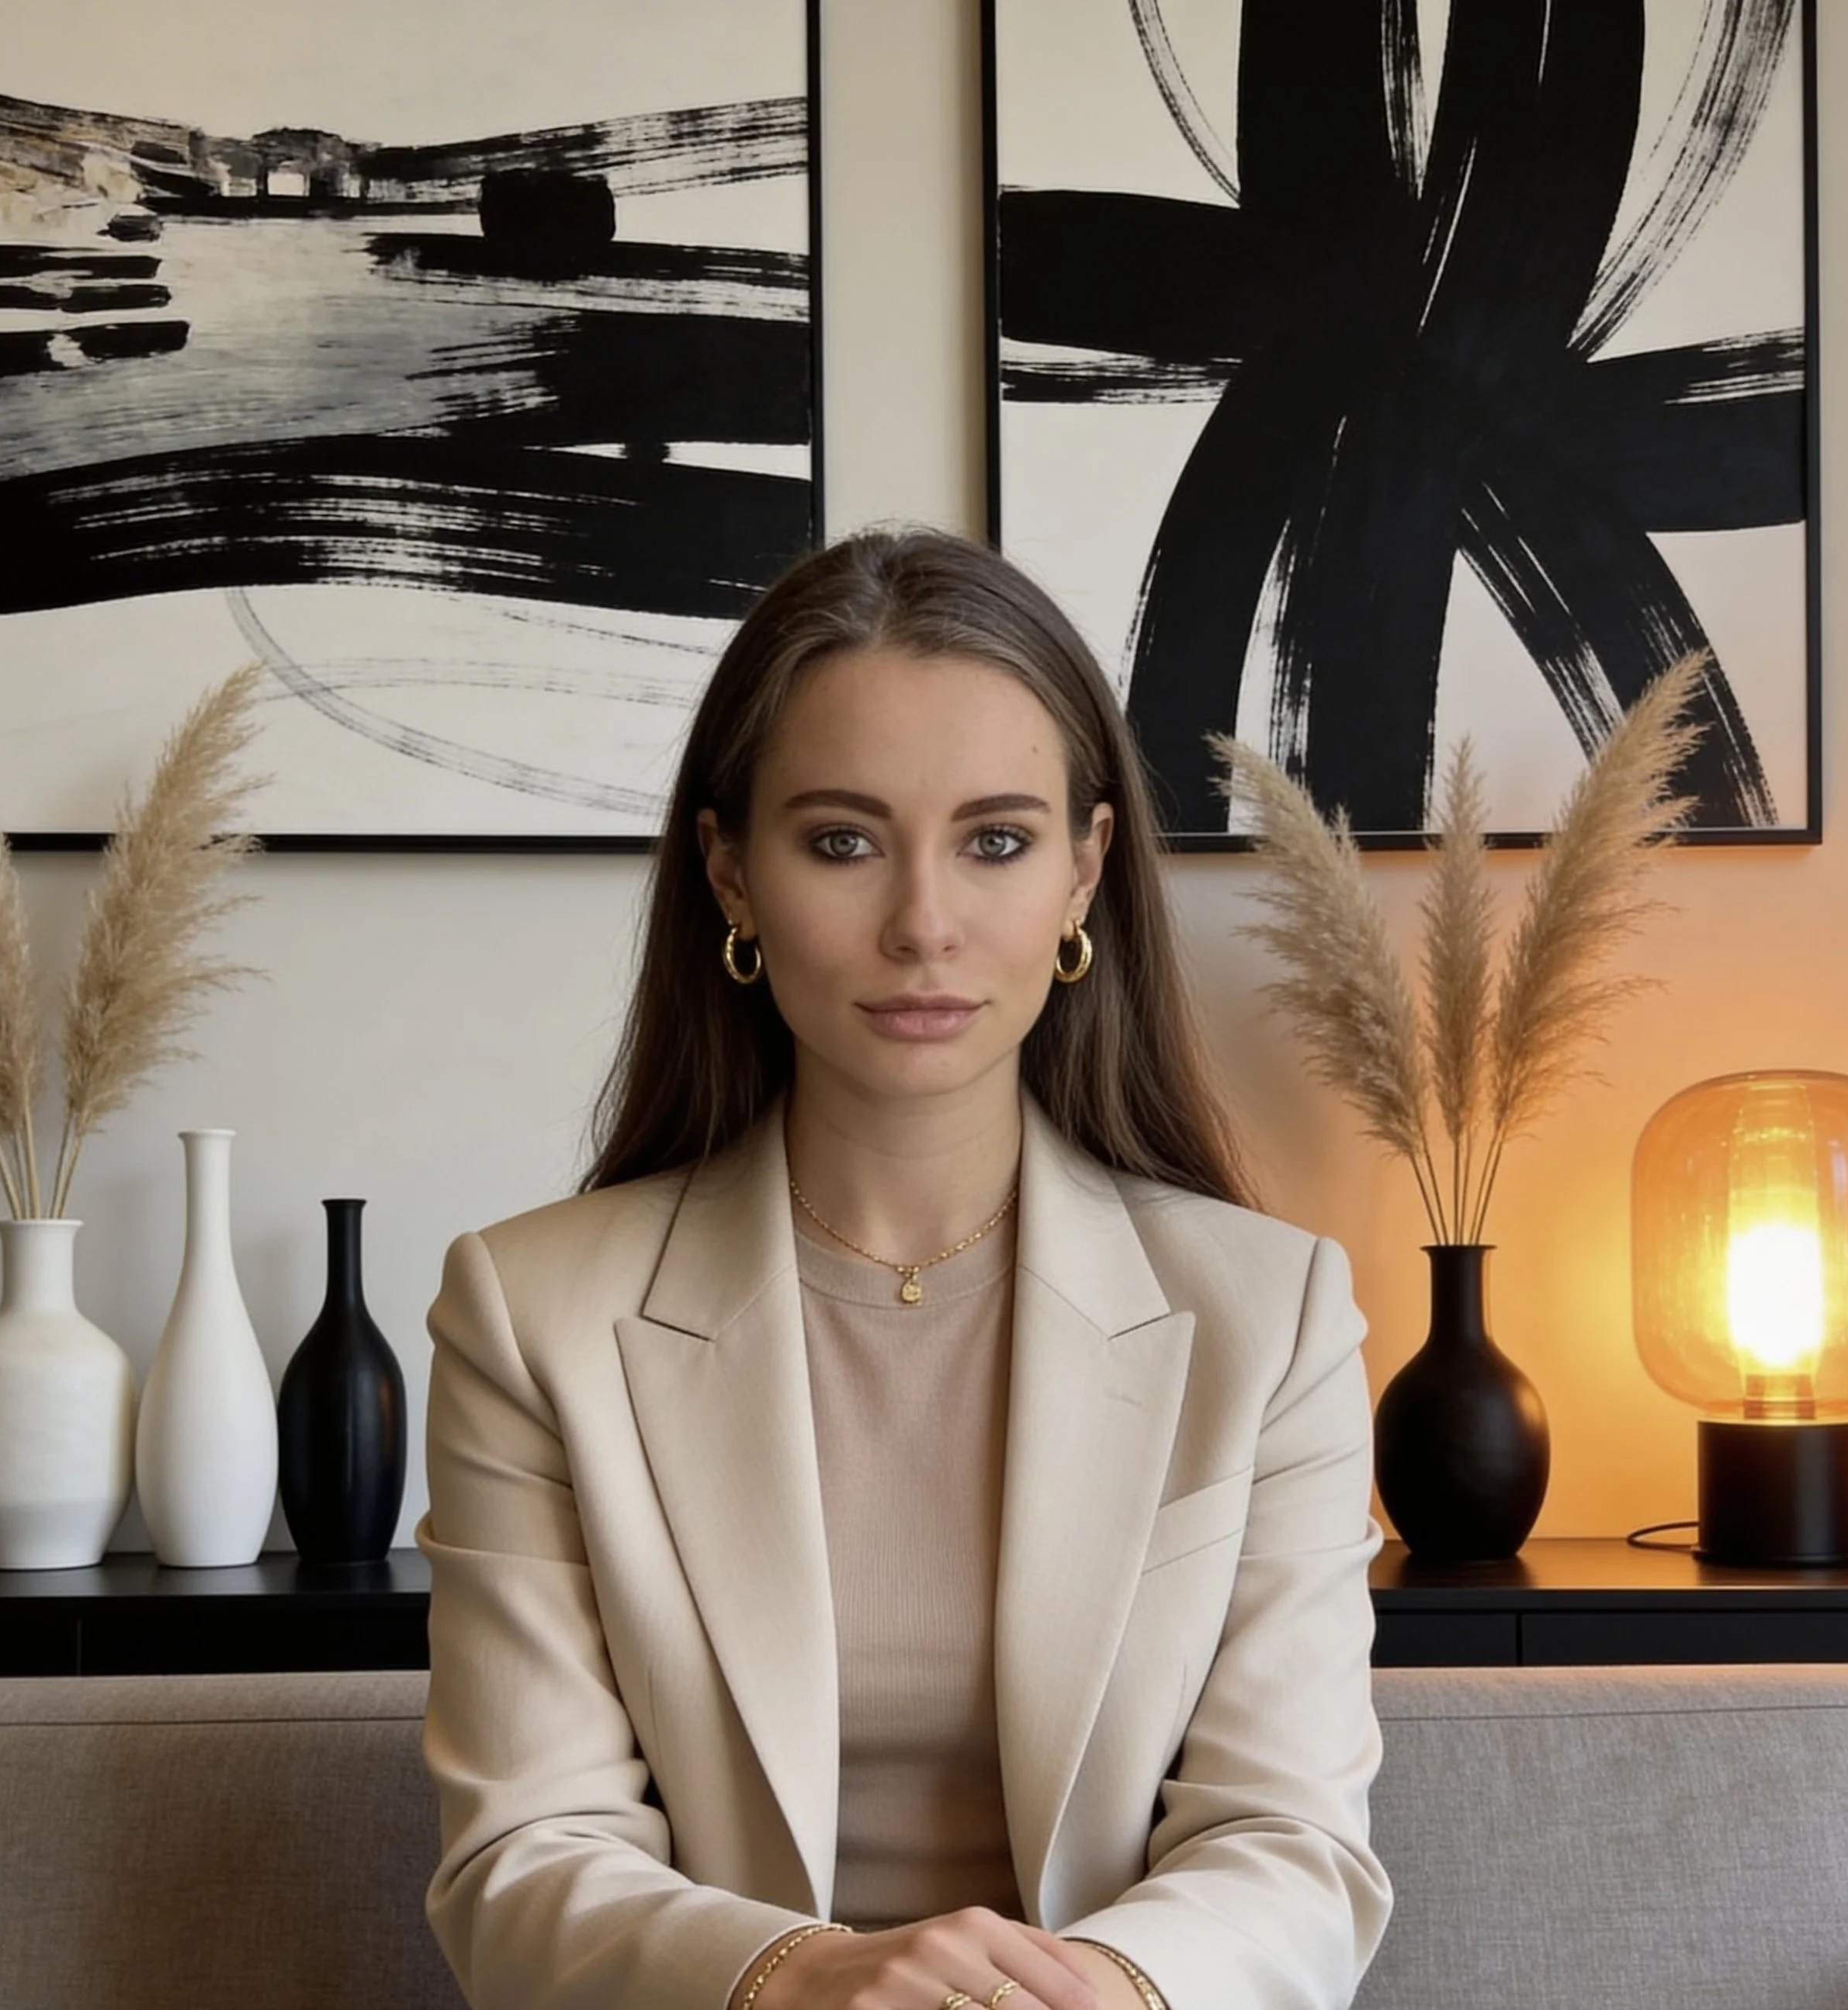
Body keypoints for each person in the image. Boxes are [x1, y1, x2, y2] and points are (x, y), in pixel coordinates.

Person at [418, 528, 1392, 2010]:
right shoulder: (531, 1314)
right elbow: (525, 1855)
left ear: (1085, 870)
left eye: (996, 841)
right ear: (731, 873)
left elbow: (1292, 1844)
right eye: (842, 841)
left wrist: (1082, 1995)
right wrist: (804, 1978)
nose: (924, 924)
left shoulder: (1273, 1315)